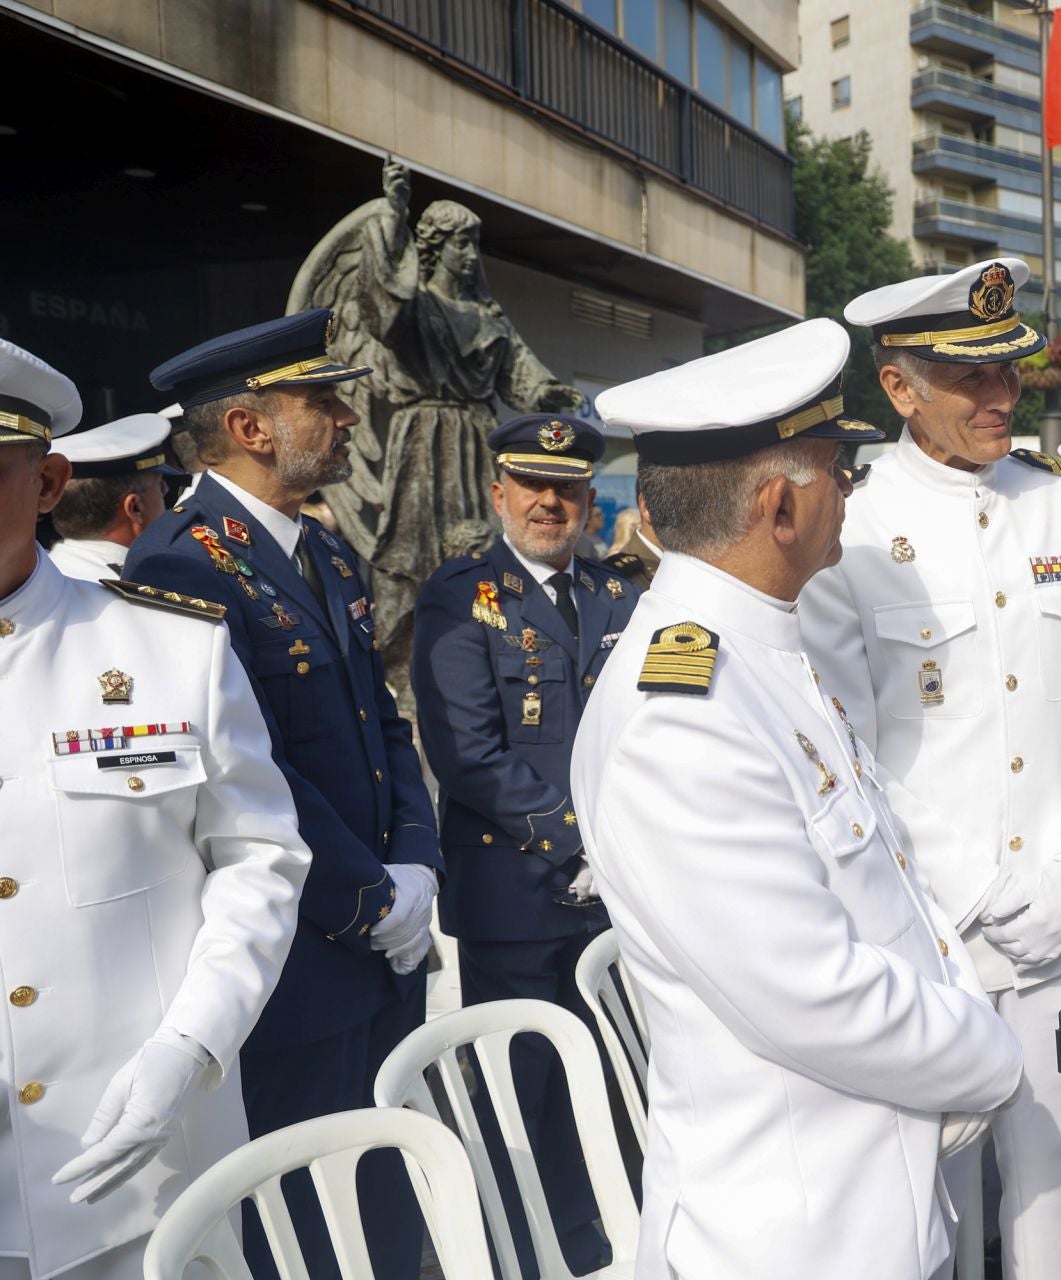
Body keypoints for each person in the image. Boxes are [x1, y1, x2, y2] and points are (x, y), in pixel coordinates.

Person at [579, 317, 1023, 1278]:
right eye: (841, 472)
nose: (852, 497)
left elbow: (885, 885)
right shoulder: (684, 712)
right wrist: (988, 1052)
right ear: (780, 506)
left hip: (868, 1192)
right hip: (795, 1231)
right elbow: (807, 992)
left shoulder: (756, 648)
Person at [797, 258, 1061, 1280]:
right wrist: (980, 890)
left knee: (1059, 1210)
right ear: (900, 388)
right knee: (932, 1217)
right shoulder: (850, 528)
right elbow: (844, 747)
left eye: (1010, 371)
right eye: (970, 379)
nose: (1002, 397)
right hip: (930, 938)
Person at [124, 309, 443, 1278]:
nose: (348, 417)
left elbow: (384, 723)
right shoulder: (179, 562)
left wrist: (419, 864)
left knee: (383, 1201)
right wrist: (369, 896)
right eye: (323, 401)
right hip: (299, 954)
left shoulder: (324, 550)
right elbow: (246, 770)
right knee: (303, 1224)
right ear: (252, 428)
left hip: (383, 935)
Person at [0, 341, 310, 1280]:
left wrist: (192, 1043)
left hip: (145, 1176)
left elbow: (261, 860)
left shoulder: (169, 650)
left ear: (49, 482)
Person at [409, 412, 640, 1272]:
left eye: (568, 489)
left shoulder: (621, 594)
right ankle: (511, 1250)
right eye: (533, 487)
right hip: (518, 896)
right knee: (519, 1089)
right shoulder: (460, 595)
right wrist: (578, 844)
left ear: (588, 498)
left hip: (618, 890)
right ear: (499, 491)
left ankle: (598, 1241)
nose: (550, 503)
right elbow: (467, 753)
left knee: (612, 1079)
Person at [45, 413, 185, 580]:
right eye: (160, 485)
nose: (166, 490)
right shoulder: (146, 588)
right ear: (135, 508)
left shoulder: (43, 573)